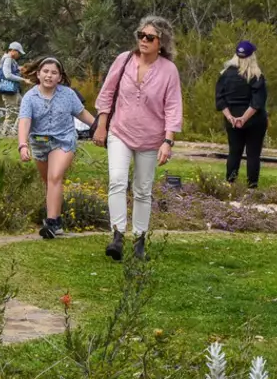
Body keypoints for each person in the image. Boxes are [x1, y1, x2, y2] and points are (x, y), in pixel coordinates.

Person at [92, 15, 184, 261]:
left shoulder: (169, 71)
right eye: (140, 35)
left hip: (151, 139)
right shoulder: (124, 60)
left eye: (149, 37)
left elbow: (173, 107)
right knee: (117, 181)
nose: (143, 40)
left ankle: (140, 240)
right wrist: (101, 126)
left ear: (161, 42)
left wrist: (168, 141)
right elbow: (107, 93)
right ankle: (117, 236)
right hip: (120, 131)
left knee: (143, 190)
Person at [15, 57, 94, 239]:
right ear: (38, 74)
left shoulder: (68, 94)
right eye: (46, 72)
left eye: (53, 73)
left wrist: (100, 128)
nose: (49, 76)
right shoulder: (30, 97)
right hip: (39, 144)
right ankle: (57, 221)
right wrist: (22, 145)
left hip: (63, 141)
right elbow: (24, 122)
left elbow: (82, 114)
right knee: (50, 182)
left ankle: (50, 223)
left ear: (59, 77)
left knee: (55, 176)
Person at [215, 39, 269, 189]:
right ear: (252, 56)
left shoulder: (225, 75)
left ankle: (230, 184)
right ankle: (252, 187)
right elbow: (258, 102)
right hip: (254, 121)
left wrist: (230, 117)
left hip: (232, 120)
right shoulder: (256, 76)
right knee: (253, 154)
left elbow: (220, 99)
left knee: (234, 152)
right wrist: (244, 118)